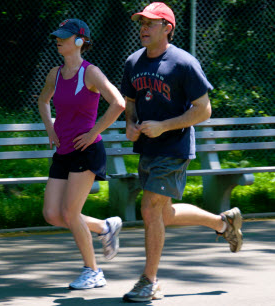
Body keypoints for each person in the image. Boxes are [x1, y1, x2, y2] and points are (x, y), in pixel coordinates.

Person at [120, 2, 243, 302]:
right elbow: (130, 102)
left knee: (149, 209)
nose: (143, 28)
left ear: (167, 28)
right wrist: (131, 123)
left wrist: (164, 126)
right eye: (141, 23)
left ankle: (149, 281)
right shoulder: (133, 62)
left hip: (174, 148)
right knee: (163, 214)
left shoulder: (184, 64)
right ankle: (223, 223)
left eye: (151, 23)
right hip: (147, 148)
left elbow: (204, 110)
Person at [38, 19, 126, 290]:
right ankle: (104, 227)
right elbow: (43, 101)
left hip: (87, 151)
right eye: (57, 36)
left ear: (79, 41)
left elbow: (119, 103)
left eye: (64, 37)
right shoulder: (55, 73)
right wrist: (50, 128)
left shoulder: (91, 73)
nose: (58, 40)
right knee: (53, 214)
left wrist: (93, 132)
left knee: (70, 212)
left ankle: (93, 272)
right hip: (63, 150)